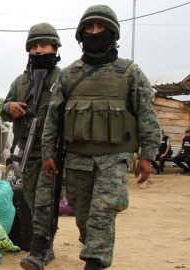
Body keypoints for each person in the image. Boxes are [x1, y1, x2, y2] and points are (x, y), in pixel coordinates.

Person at [38, 5, 160, 270]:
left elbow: (147, 114)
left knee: (103, 213)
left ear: (113, 33)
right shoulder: (68, 75)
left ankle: (94, 263)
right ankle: (92, 248)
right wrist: (48, 153)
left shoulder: (130, 72)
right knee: (83, 217)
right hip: (77, 159)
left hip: (113, 159)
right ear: (81, 35)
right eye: (89, 29)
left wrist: (148, 155)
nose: (95, 33)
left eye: (101, 28)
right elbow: (53, 119)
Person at [0, 23, 62, 268]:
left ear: (54, 48)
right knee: (31, 198)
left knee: (45, 201)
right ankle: (47, 244)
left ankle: (39, 250)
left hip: (53, 152)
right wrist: (10, 108)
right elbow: (4, 108)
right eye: (34, 46)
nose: (38, 51)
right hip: (27, 151)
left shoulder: (63, 78)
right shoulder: (20, 81)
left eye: (43, 45)